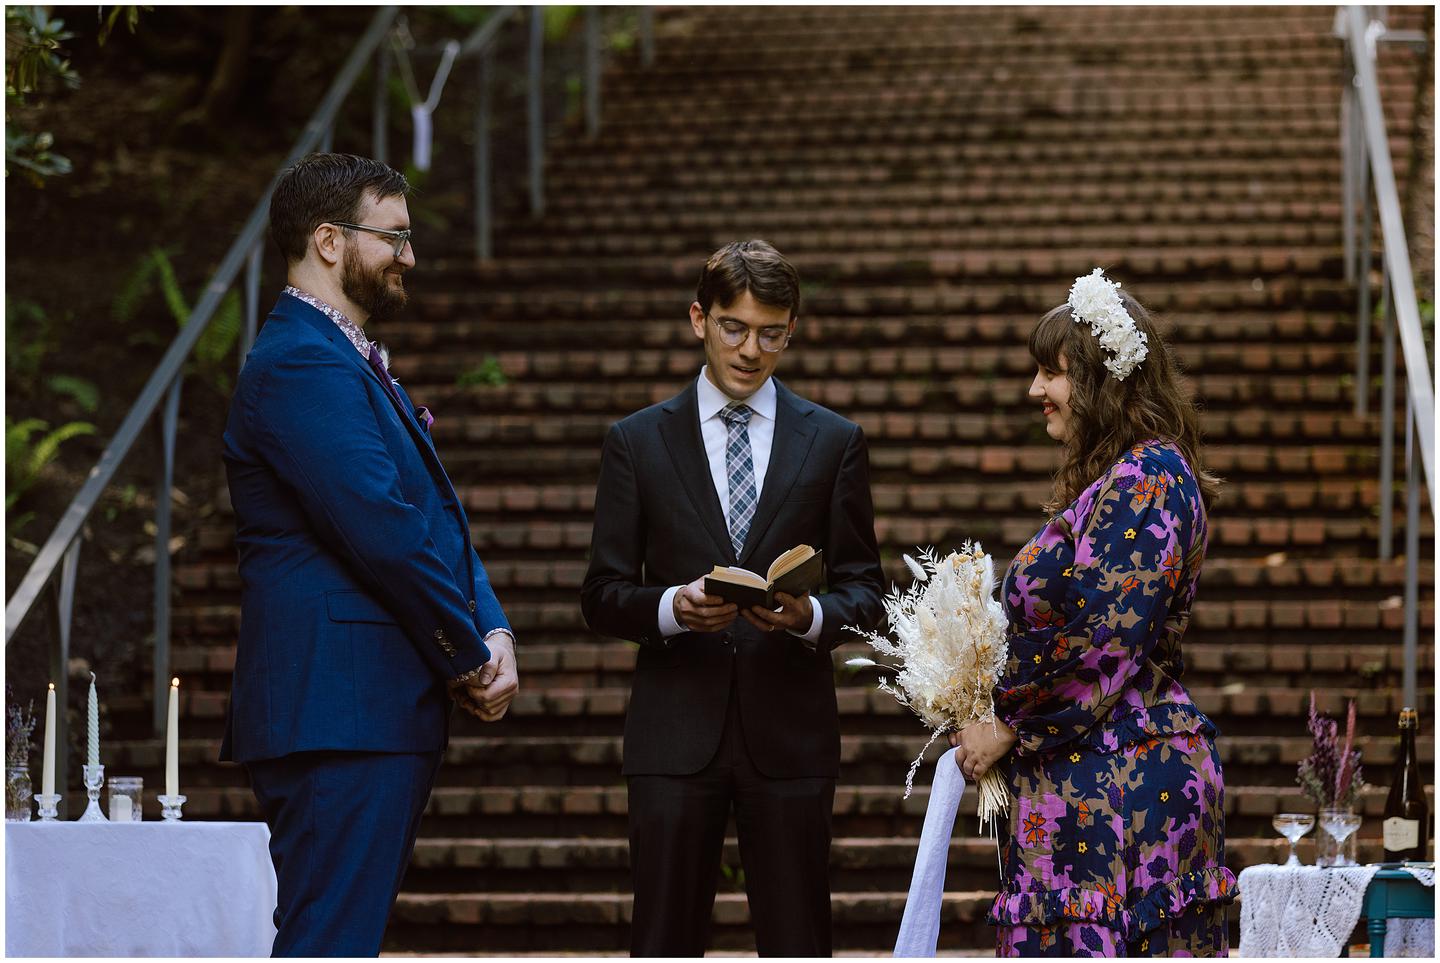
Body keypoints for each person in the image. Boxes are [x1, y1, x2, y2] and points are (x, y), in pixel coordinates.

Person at [220, 152, 519, 956]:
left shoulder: (341, 356)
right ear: (327, 239)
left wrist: (496, 631)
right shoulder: (299, 362)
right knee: (329, 940)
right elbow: (382, 530)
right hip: (338, 711)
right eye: (395, 236)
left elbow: (433, 518)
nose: (410, 257)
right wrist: (462, 652)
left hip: (369, 707)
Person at [581, 240, 885, 957]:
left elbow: (867, 590)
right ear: (699, 319)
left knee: (798, 942)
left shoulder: (836, 441)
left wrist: (810, 615)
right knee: (663, 941)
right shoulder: (637, 441)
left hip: (792, 736)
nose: (751, 349)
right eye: (733, 327)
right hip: (672, 734)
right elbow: (601, 593)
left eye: (771, 332)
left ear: (792, 330)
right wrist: (672, 607)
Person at [950, 269, 1235, 957]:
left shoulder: (1152, 476)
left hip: (1125, 790)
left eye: (1053, 373)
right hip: (1082, 783)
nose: (1035, 390)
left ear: (1104, 380)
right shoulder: (1114, 479)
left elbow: (1105, 634)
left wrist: (1009, 722)